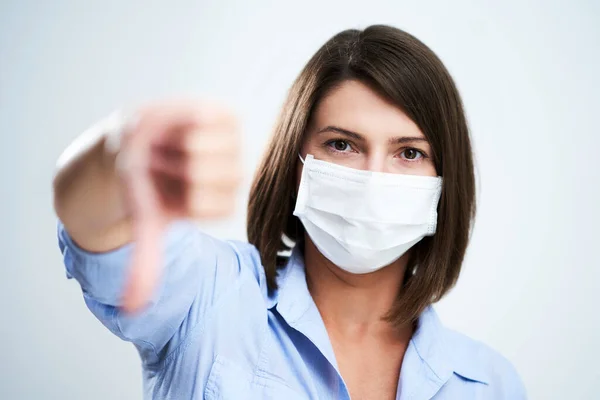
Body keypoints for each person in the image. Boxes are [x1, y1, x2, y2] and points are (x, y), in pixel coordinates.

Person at [53, 25, 526, 399]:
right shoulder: (209, 299)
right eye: (342, 145)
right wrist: (122, 150)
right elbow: (92, 224)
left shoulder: (489, 385)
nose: (375, 178)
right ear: (296, 163)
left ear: (445, 183)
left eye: (409, 153)